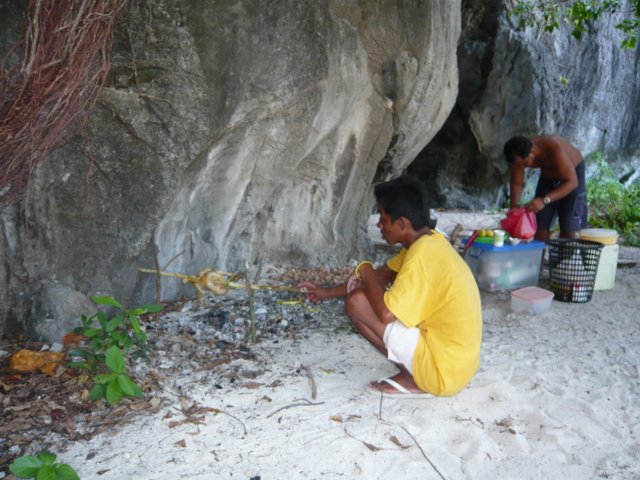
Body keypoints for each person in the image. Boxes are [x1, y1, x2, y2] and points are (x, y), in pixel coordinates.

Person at [299, 176, 482, 397]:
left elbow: (386, 313)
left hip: (442, 373)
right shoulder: (428, 242)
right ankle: (413, 372)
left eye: (383, 219)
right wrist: (326, 293)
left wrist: (365, 270)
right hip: (456, 368)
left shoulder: (422, 255)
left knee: (356, 302)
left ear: (402, 223)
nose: (379, 225)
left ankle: (416, 379)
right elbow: (380, 277)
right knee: (360, 297)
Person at [503, 135, 588, 242]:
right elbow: (516, 183)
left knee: (568, 223)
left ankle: (566, 257)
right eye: (520, 166)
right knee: (539, 223)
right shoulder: (518, 157)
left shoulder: (553, 146)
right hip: (548, 178)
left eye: (525, 164)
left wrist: (544, 200)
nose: (523, 167)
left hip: (572, 176)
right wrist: (514, 207)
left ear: (532, 152)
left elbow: (572, 182)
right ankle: (540, 257)